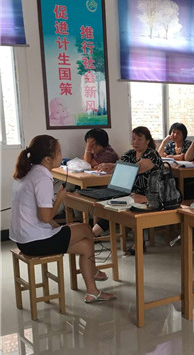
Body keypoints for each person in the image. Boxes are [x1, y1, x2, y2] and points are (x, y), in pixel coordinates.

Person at [10, 135, 115, 303]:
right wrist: (60, 199)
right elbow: (45, 217)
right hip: (35, 241)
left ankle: (92, 292)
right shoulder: (42, 178)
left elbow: (35, 214)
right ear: (47, 159)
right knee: (86, 229)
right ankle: (93, 269)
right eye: (59, 152)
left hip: (23, 239)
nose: (61, 156)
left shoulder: (29, 172)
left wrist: (57, 224)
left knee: (86, 245)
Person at [93, 126, 163, 239]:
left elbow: (135, 169)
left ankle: (138, 244)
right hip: (131, 193)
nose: (135, 142)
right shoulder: (130, 153)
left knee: (126, 206)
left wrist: (113, 166)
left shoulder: (152, 155)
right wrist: (110, 166)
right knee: (110, 206)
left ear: (147, 141)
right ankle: (92, 235)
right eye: (133, 139)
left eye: (139, 139)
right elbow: (119, 166)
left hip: (151, 195)